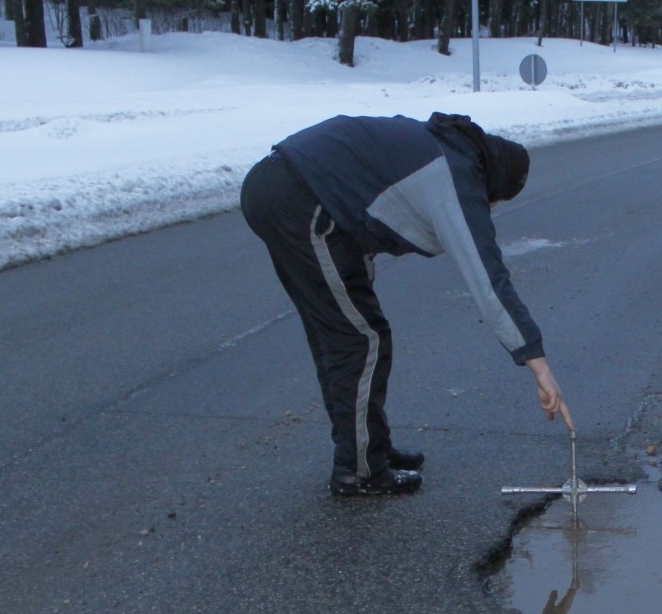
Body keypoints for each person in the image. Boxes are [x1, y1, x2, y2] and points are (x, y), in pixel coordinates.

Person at [240, 112, 572, 497]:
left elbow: (365, 217)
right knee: (357, 340)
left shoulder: (444, 149)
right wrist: (538, 364)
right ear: (492, 181)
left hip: (289, 188)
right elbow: (487, 279)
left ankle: (367, 446)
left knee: (348, 330)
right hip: (298, 197)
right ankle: (360, 469)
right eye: (494, 201)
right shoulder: (455, 178)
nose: (490, 208)